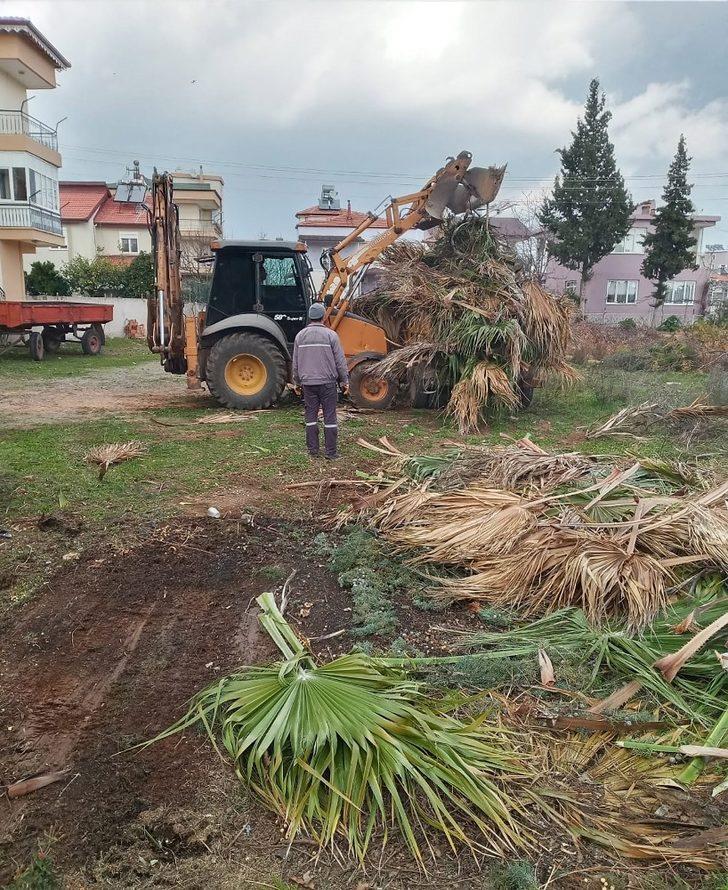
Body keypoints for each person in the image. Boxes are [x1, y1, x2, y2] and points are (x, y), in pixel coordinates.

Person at [292, 302, 349, 460]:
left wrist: (296, 382)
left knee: (311, 416)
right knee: (330, 416)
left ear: (310, 317)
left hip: (308, 384)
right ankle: (331, 453)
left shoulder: (300, 336)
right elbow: (340, 361)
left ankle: (313, 450)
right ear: (324, 317)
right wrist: (344, 380)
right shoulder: (331, 335)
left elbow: (295, 363)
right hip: (327, 384)